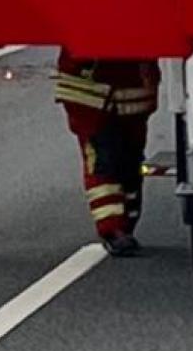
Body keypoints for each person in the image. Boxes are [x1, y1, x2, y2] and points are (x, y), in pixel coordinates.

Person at [55, 55, 160, 255]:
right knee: (104, 159)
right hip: (94, 87)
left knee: (127, 158)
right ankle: (113, 227)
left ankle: (122, 223)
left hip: (120, 82)